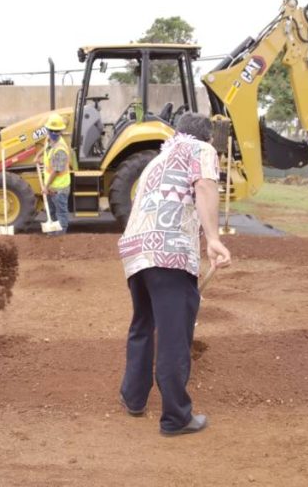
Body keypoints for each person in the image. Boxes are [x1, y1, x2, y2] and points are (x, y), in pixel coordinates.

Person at [117, 113, 232, 436]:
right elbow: (205, 186)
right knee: (174, 335)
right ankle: (176, 417)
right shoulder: (201, 150)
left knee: (143, 323)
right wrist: (213, 239)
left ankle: (133, 397)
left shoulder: (159, 158)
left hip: (136, 250)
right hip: (169, 251)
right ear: (206, 137)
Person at [42, 113, 73, 236]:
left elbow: (56, 170)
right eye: (52, 131)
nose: (54, 133)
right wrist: (39, 156)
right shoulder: (49, 140)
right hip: (51, 187)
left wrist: (46, 186)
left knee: (61, 213)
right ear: (48, 130)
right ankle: (52, 236)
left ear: (61, 131)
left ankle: (60, 238)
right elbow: (45, 149)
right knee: (52, 212)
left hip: (59, 188)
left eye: (57, 131)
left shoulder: (60, 149)